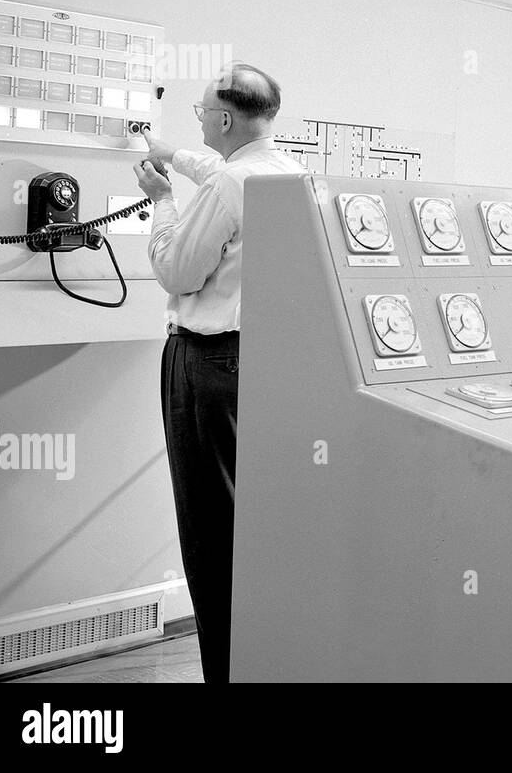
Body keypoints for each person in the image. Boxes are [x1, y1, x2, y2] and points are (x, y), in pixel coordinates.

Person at [133, 62, 305, 683]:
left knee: (207, 528)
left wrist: (160, 204)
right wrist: (172, 154)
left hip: (205, 364)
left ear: (226, 118)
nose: (200, 118)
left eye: (202, 110)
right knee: (245, 521)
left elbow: (177, 273)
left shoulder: (232, 183)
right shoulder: (289, 173)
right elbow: (223, 176)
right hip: (264, 364)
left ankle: (221, 674)